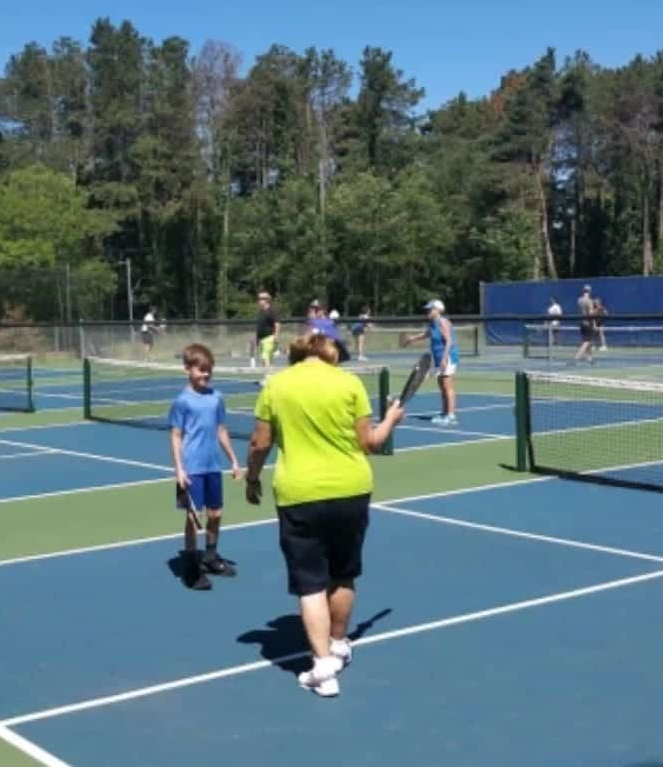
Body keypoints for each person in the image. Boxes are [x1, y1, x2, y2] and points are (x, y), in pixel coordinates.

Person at [245, 332, 404, 698]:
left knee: (310, 583)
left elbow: (260, 443)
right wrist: (392, 418)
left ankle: (323, 667)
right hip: (352, 489)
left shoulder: (277, 385)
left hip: (299, 493)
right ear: (328, 354)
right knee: (343, 574)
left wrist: (252, 478)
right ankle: (337, 643)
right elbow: (371, 443)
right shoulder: (350, 383)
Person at [168, 343, 242, 590]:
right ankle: (191, 568)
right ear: (187, 369)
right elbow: (176, 435)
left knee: (216, 514)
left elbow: (221, 430)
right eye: (201, 370)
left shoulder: (217, 398)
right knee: (193, 517)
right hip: (191, 468)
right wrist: (179, 469)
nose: (206, 374)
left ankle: (210, 557)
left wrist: (233, 459)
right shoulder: (182, 401)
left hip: (213, 467)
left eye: (209, 370)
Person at [403, 299, 458, 426]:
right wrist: (412, 338)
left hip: (448, 356)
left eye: (430, 309)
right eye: (427, 309)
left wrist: (444, 359)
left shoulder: (442, 322)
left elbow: (449, 341)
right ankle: (445, 413)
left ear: (437, 310)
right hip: (439, 357)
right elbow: (426, 334)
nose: (427, 311)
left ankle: (451, 416)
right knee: (441, 386)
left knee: (447, 385)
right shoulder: (433, 323)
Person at [254, 292, 281, 374]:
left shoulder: (272, 311)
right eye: (259, 299)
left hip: (269, 338)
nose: (259, 301)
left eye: (261, 299)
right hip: (262, 339)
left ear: (266, 300)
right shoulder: (260, 312)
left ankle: (267, 377)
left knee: (265, 357)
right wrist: (256, 339)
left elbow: (277, 324)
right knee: (266, 359)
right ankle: (270, 376)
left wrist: (276, 336)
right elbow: (259, 326)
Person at [574, 285, 596, 364]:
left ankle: (589, 359)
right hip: (587, 323)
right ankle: (577, 357)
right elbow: (590, 314)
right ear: (590, 291)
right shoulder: (589, 301)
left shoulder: (579, 300)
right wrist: (594, 323)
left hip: (581, 323)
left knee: (588, 341)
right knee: (587, 342)